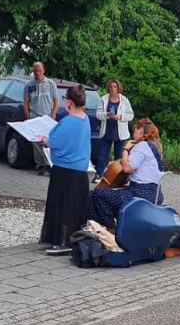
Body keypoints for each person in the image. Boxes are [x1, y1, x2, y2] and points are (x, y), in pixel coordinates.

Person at [35, 84, 92, 255]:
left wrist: (44, 139)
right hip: (80, 170)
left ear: (69, 102)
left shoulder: (68, 121)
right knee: (73, 207)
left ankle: (62, 241)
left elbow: (54, 141)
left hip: (65, 169)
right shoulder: (85, 119)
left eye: (65, 99)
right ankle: (69, 239)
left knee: (62, 206)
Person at [91, 117, 165, 229]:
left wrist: (125, 149)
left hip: (141, 194)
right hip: (155, 194)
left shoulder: (141, 146)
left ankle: (110, 228)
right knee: (112, 195)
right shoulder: (155, 147)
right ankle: (113, 225)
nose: (133, 134)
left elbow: (127, 168)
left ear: (140, 131)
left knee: (98, 193)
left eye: (134, 131)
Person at [93, 78, 134, 183]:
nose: (112, 89)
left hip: (120, 133)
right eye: (111, 87)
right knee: (103, 154)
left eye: (115, 87)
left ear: (118, 88)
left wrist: (120, 117)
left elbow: (131, 115)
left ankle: (118, 176)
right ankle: (99, 174)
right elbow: (98, 114)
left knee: (119, 155)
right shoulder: (104, 99)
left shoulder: (124, 100)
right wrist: (106, 115)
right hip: (106, 131)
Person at [22, 61, 58, 176]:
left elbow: (56, 101)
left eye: (40, 70)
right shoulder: (29, 85)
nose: (38, 73)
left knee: (47, 142)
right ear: (33, 71)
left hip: (47, 117)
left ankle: (50, 164)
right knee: (36, 143)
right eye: (35, 70)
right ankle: (40, 165)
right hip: (34, 117)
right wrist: (28, 117)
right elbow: (26, 102)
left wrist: (53, 114)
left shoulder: (50, 84)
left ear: (43, 70)